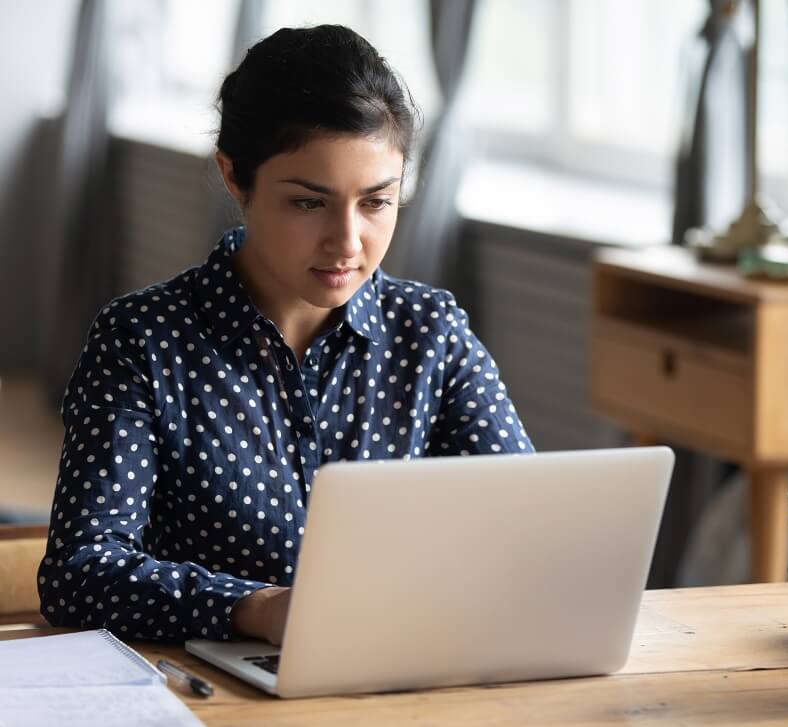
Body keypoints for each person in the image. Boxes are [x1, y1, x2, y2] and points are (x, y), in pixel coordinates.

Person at [37, 25, 533, 646]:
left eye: (376, 203)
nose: (347, 243)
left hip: (405, 663)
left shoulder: (431, 334)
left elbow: (528, 527)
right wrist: (257, 609)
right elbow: (79, 572)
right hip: (213, 680)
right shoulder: (143, 341)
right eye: (308, 203)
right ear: (234, 176)